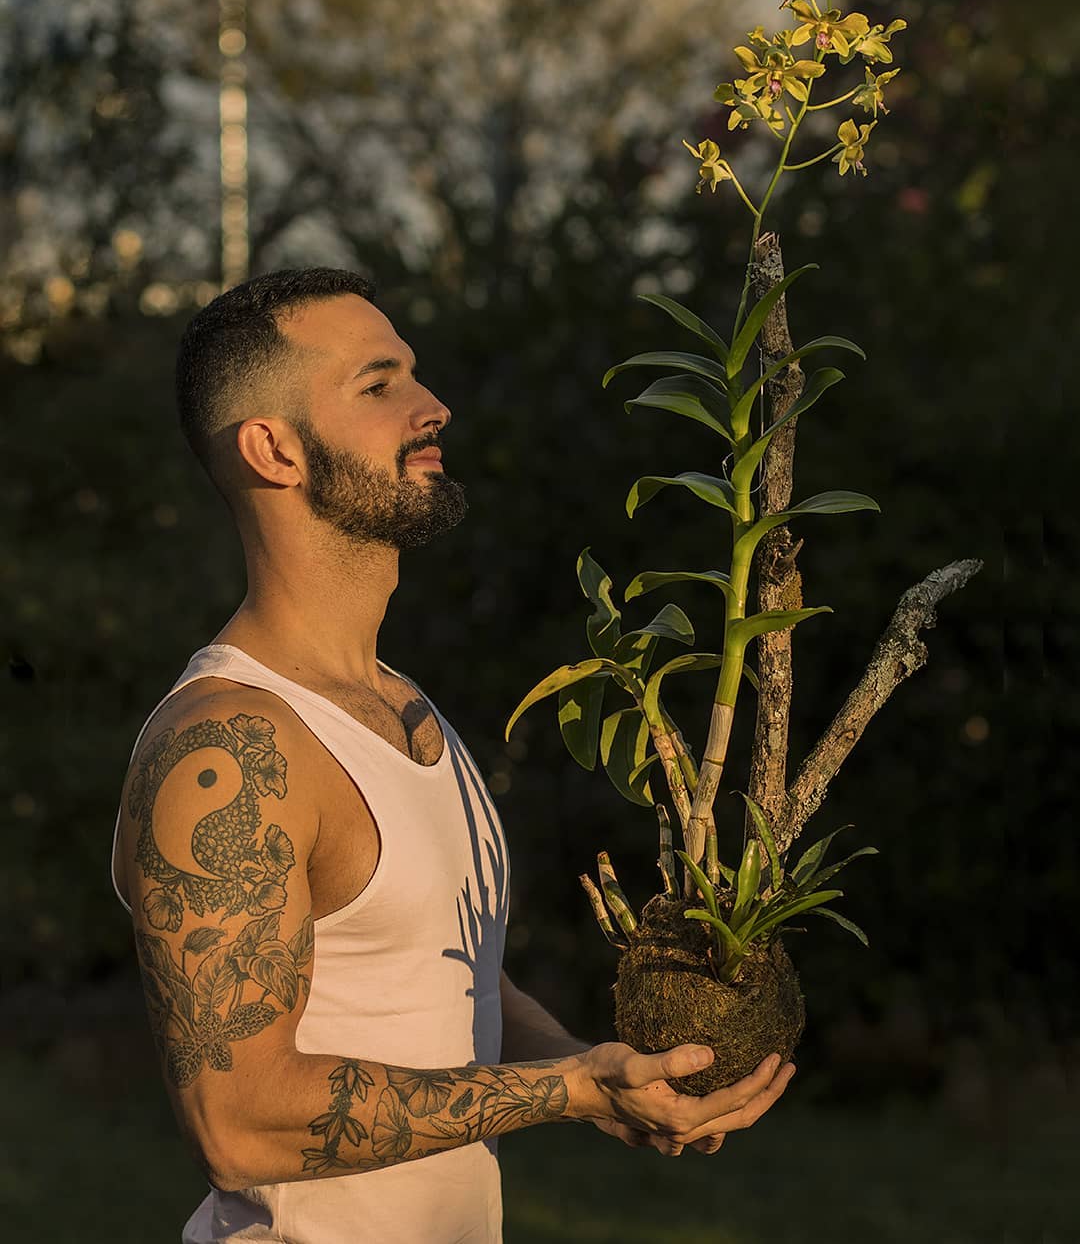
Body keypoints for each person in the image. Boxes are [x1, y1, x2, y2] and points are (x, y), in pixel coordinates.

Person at [110, 267, 795, 1243]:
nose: (434, 408)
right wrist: (565, 1091)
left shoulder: (403, 705)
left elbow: (455, 988)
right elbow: (241, 1121)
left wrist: (609, 1077)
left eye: (415, 378)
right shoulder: (227, 744)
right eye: (378, 385)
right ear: (273, 448)